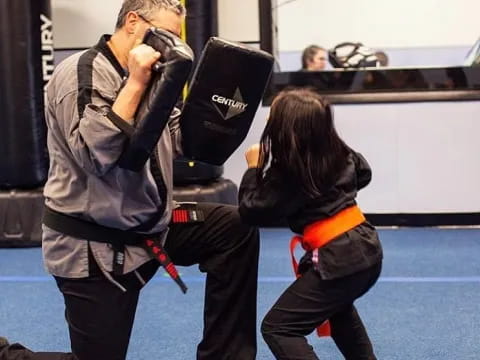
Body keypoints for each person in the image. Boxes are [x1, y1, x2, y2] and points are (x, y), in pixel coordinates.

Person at [0, 1, 259, 359]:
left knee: (234, 227)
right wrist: (136, 82)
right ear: (133, 23)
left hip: (153, 226)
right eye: (165, 35)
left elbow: (178, 137)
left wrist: (222, 110)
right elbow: (96, 156)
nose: (173, 47)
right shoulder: (82, 72)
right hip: (96, 244)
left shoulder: (159, 75)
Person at [238, 88, 383, 360]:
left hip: (341, 259)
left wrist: (254, 169)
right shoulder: (340, 153)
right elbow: (363, 173)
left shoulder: (292, 173)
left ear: (285, 132)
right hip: (367, 248)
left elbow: (251, 211)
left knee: (280, 327)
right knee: (338, 308)